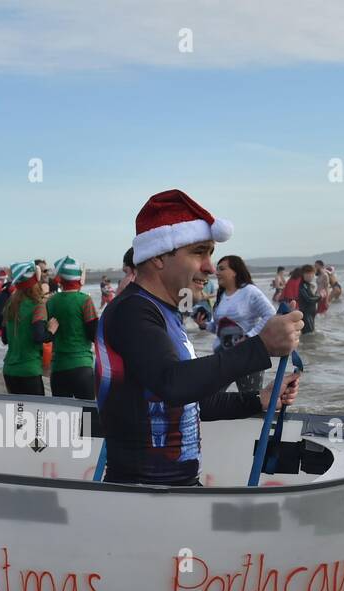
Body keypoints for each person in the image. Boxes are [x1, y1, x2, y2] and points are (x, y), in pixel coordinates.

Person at [96, 189, 302, 486]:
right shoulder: (132, 310)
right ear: (157, 257)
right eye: (199, 252)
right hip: (140, 496)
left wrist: (259, 399)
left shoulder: (164, 312)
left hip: (173, 492)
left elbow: (193, 403)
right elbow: (174, 384)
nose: (209, 267)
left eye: (211, 254)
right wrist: (261, 346)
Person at [212, 254, 276, 396]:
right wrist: (205, 324)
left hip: (248, 355)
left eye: (222, 269)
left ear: (235, 272)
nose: (217, 273)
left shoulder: (250, 291)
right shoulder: (222, 294)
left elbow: (270, 314)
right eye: (217, 269)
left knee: (250, 400)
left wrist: (249, 336)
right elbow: (220, 327)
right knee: (210, 397)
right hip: (223, 355)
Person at [46, 256, 98, 399]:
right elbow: (93, 333)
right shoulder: (84, 300)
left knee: (62, 418)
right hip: (82, 366)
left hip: (58, 368)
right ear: (78, 279)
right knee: (87, 418)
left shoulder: (50, 301)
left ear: (61, 280)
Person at [0, 260, 52, 395]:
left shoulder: (9, 306)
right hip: (29, 371)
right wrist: (51, 330)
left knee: (17, 415)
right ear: (35, 281)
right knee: (36, 414)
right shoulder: (38, 306)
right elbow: (39, 336)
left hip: (9, 370)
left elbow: (4, 339)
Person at [297, 263, 320, 333]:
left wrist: (318, 295)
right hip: (306, 314)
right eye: (308, 274)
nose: (311, 276)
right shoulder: (302, 286)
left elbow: (311, 297)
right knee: (308, 333)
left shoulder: (308, 285)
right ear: (303, 274)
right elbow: (308, 299)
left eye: (312, 274)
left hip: (311, 313)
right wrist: (319, 297)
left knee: (311, 333)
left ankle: (306, 344)